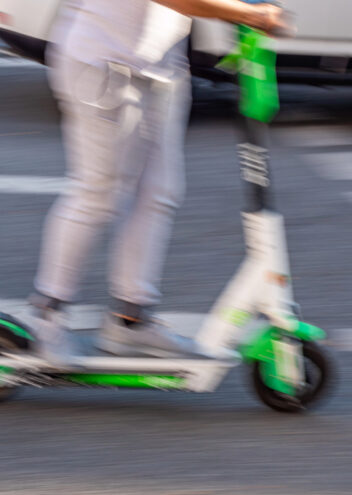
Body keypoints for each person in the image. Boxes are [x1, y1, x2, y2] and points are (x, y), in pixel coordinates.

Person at [30, 0, 289, 363]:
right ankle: (47, 317)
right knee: (98, 194)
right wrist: (246, 14)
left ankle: (130, 321)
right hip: (103, 62)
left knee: (158, 193)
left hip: (161, 69)